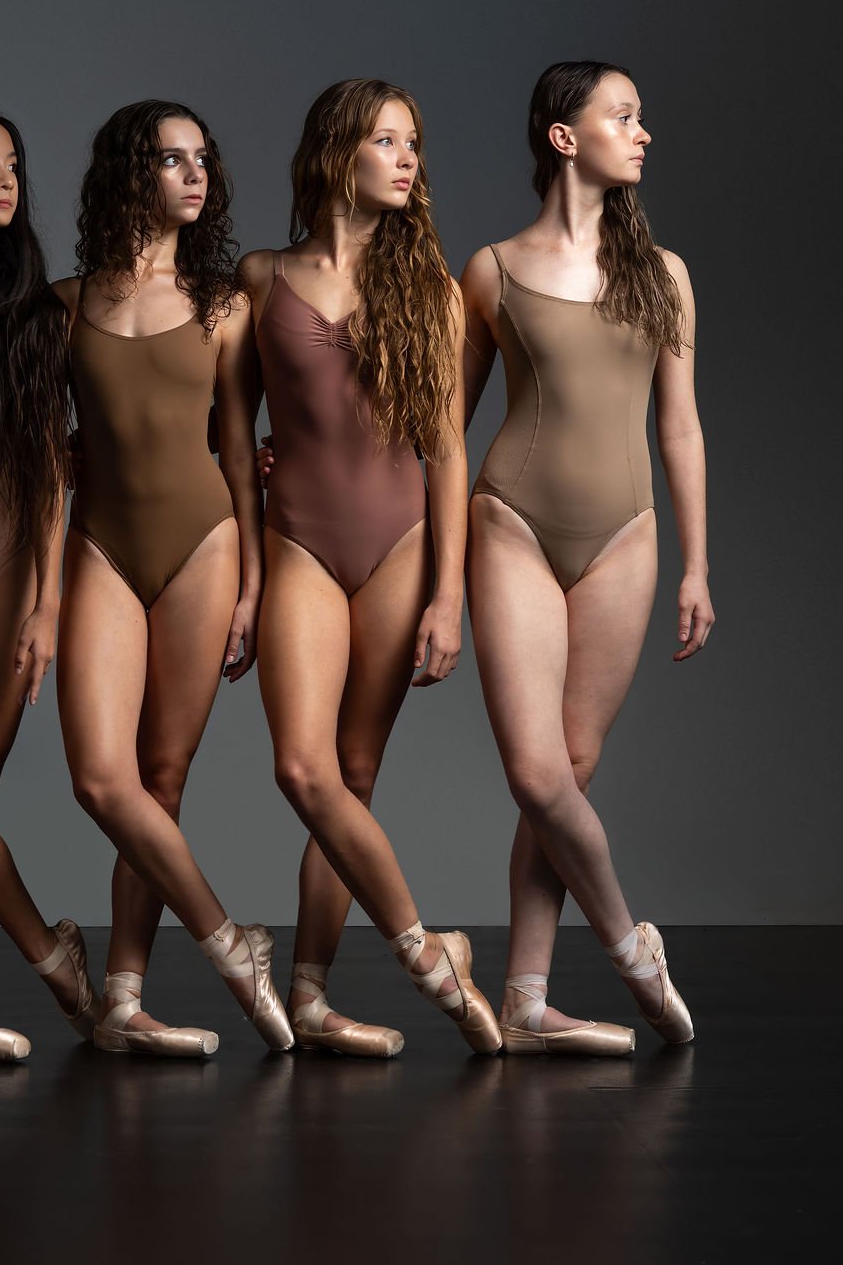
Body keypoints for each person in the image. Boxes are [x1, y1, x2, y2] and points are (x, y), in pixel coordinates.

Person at [238, 79, 498, 1056]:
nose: (407, 158)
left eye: (412, 143)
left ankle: (309, 995)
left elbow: (447, 450)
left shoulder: (430, 289)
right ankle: (428, 954)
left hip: (399, 547)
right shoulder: (259, 276)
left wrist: (446, 596)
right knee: (303, 770)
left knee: (352, 775)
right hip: (298, 542)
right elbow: (216, 424)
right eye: (386, 140)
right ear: (334, 151)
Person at [457, 61, 711, 1052]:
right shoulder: (491, 269)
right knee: (536, 774)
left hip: (624, 537)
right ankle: (629, 946)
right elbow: (442, 432)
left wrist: (696, 565)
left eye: (641, 119)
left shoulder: (664, 275)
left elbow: (679, 428)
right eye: (624, 116)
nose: (643, 134)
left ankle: (524, 1001)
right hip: (510, 523)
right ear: (564, 137)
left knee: (570, 769)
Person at [54, 100, 290, 1056]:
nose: (196, 174)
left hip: (206, 543)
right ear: (128, 172)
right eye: (170, 159)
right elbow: (3, 429)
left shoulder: (225, 308)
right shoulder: (64, 304)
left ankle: (124, 996)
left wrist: (253, 587)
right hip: (99, 545)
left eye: (203, 159)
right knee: (100, 778)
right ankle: (232, 944)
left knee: (160, 779)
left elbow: (240, 455)